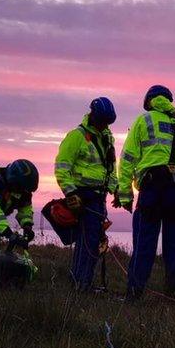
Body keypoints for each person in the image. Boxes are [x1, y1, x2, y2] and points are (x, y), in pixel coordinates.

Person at [117, 85, 175, 301]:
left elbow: (127, 160)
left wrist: (126, 195)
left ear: (149, 101)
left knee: (144, 243)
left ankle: (134, 295)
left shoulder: (143, 121)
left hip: (153, 188)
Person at [54, 97, 118, 291]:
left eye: (107, 122)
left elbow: (110, 169)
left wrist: (115, 190)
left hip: (99, 198)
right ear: (92, 115)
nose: (104, 125)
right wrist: (71, 192)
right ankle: (82, 284)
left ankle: (80, 282)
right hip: (82, 196)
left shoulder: (107, 139)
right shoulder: (76, 136)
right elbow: (62, 167)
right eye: (102, 121)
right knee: (89, 240)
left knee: (92, 240)